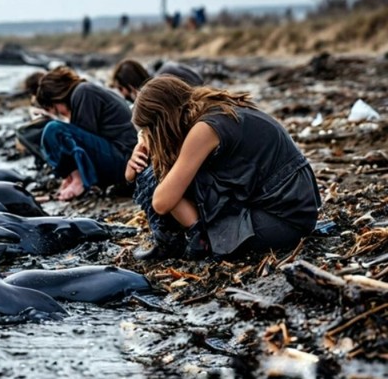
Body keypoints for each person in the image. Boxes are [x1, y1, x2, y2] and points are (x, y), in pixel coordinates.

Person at [129, 75, 321, 260]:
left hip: (283, 218)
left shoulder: (205, 129)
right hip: (287, 201)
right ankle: (194, 235)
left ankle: (200, 239)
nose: (148, 137)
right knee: (164, 176)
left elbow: (161, 202)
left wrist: (153, 153)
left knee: (158, 180)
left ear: (162, 123)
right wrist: (140, 151)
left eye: (148, 131)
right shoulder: (209, 109)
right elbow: (131, 176)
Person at [35, 66, 136, 201]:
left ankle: (79, 182)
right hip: (120, 156)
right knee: (58, 131)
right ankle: (75, 180)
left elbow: (80, 145)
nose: (59, 113)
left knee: (53, 129)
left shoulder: (83, 92)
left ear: (58, 96)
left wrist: (77, 177)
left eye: (55, 108)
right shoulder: (84, 91)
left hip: (124, 160)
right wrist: (68, 176)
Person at [110, 59, 204, 103]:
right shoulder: (163, 71)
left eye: (120, 88)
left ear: (130, 84)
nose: (122, 93)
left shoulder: (157, 88)